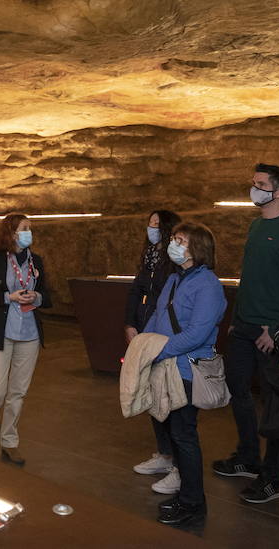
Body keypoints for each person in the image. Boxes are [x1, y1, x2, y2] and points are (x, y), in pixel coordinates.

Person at [214, 163, 279, 504]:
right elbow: (252, 278)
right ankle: (247, 457)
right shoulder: (257, 227)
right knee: (237, 390)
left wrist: (276, 330)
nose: (254, 188)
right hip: (244, 327)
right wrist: (237, 318)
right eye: (253, 183)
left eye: (260, 184)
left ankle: (272, 478)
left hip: (271, 333)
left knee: (277, 405)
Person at [142, 222, 226, 529]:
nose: (173, 245)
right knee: (174, 433)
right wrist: (144, 342)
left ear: (197, 249)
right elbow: (157, 313)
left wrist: (158, 350)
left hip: (187, 370)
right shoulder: (176, 278)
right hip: (167, 367)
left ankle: (194, 503)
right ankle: (186, 494)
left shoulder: (208, 285)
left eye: (180, 241)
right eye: (174, 239)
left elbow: (198, 333)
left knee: (184, 435)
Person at [0, 213, 52, 465]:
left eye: (30, 228)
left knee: (18, 392)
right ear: (11, 233)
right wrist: (10, 297)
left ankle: (9, 442)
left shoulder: (35, 260)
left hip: (29, 333)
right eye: (24, 228)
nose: (29, 232)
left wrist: (36, 298)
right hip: (1, 331)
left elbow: (48, 296)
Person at [126, 209, 184, 493]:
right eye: (148, 223)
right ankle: (163, 453)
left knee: (168, 396)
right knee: (151, 394)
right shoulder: (148, 256)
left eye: (156, 225)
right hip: (144, 329)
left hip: (163, 335)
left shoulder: (173, 264)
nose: (151, 228)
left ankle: (177, 463)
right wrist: (130, 323)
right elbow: (137, 290)